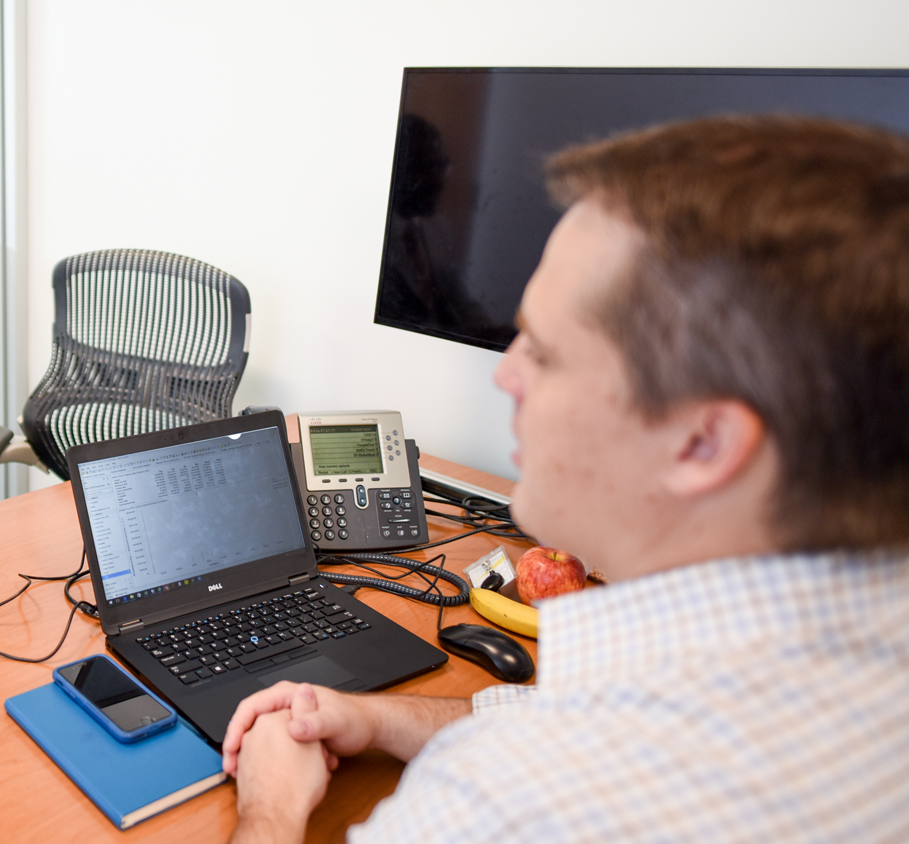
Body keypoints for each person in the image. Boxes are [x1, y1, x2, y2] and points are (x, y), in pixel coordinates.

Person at [222, 115, 909, 843]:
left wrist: (270, 805)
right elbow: (568, 710)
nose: (506, 372)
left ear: (704, 443)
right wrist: (376, 717)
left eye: (545, 353)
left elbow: (551, 765)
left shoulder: (511, 804)